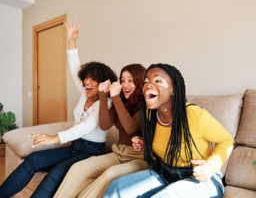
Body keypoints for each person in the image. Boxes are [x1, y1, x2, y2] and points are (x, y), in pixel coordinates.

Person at [0, 19, 118, 198]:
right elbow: (74, 68)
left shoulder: (105, 103)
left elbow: (85, 127)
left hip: (91, 152)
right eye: (86, 77)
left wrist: (54, 138)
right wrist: (72, 41)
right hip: (74, 146)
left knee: (55, 174)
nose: (86, 81)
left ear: (102, 83)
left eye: (92, 79)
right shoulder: (85, 93)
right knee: (33, 160)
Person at [103, 63, 233, 198]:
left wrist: (211, 166)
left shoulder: (195, 115)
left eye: (158, 81)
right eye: (146, 82)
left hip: (200, 178)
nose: (149, 85)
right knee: (117, 187)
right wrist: (145, 143)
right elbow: (165, 142)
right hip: (164, 172)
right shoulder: (151, 115)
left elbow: (226, 140)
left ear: (173, 88)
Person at [54, 63, 147, 198]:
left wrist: (115, 98)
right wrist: (103, 96)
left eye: (130, 81)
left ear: (140, 82)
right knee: (77, 168)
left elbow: (130, 127)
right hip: (119, 153)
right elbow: (104, 125)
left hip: (140, 158)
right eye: (122, 81)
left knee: (110, 174)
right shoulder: (121, 101)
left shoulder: (147, 104)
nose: (125, 84)